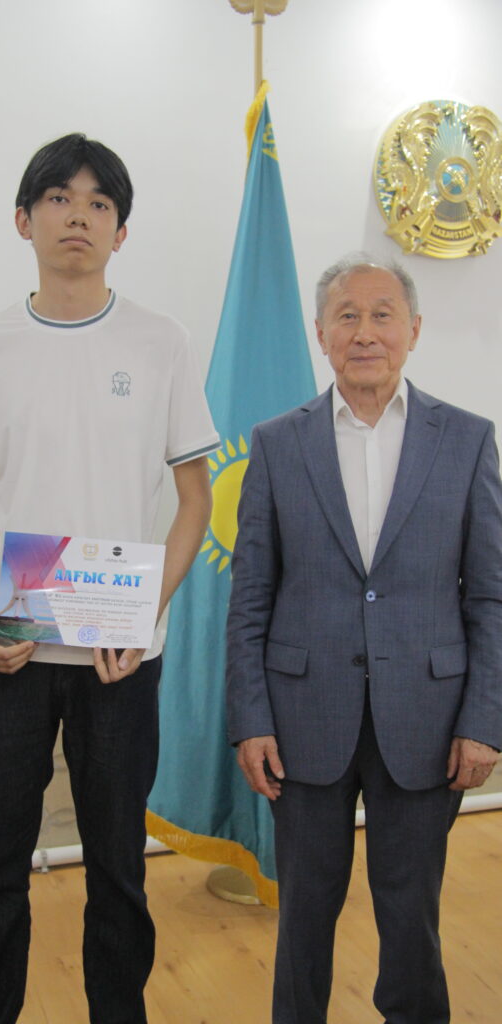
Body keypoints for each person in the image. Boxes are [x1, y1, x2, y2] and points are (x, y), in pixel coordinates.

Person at [0, 133, 219, 1024]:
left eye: (99, 203)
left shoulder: (161, 342)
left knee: (118, 873)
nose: (78, 217)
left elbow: (195, 500)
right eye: (58, 198)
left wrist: (146, 614)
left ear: (120, 232)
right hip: (9, 654)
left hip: (118, 662)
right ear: (24, 219)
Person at [226, 255, 502, 1024]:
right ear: (320, 333)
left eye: (382, 314)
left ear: (413, 329)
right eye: (346, 315)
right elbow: (249, 595)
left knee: (411, 916)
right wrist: (249, 717)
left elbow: (489, 595)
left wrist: (483, 719)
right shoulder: (277, 443)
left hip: (429, 721)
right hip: (300, 720)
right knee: (302, 914)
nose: (365, 331)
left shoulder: (467, 439)